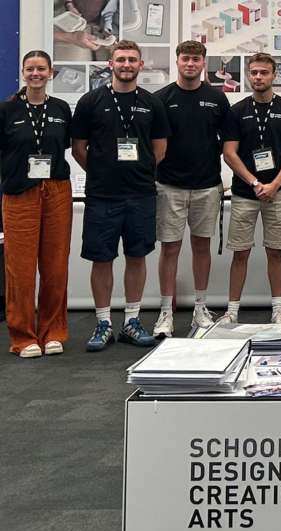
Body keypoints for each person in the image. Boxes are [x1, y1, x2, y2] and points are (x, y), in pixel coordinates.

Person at [71, 40, 170, 351]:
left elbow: (160, 149)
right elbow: (78, 149)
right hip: (102, 195)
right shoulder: (90, 101)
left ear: (141, 65)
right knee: (102, 258)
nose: (126, 64)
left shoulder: (152, 103)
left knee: (137, 256)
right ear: (110, 64)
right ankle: (103, 323)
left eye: (132, 60)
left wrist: (140, 170)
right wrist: (102, 172)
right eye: (121, 59)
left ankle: (131, 321)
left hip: (141, 193)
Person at [152, 40, 230, 337]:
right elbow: (154, 144)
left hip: (207, 186)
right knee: (170, 248)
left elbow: (229, 142)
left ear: (203, 63)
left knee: (201, 246)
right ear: (177, 61)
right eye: (185, 59)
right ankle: (165, 313)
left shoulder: (217, 99)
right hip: (169, 185)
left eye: (196, 60)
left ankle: (200, 308)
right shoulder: (161, 98)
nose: (190, 64)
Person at [0, 51, 73, 357]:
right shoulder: (7, 110)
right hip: (19, 193)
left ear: (50, 73)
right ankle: (23, 336)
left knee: (56, 266)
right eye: (30, 69)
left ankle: (52, 331)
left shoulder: (60, 108)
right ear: (23, 73)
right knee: (21, 268)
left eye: (41, 68)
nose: (36, 73)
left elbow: (65, 144)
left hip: (56, 189)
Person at [221, 52, 281, 324]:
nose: (258, 77)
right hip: (246, 193)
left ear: (273, 74)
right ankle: (232, 311)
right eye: (254, 72)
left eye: (263, 72)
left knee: (275, 250)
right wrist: (256, 183)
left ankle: (278, 309)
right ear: (247, 75)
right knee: (240, 252)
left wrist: (275, 184)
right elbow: (229, 153)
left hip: (277, 193)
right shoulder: (237, 111)